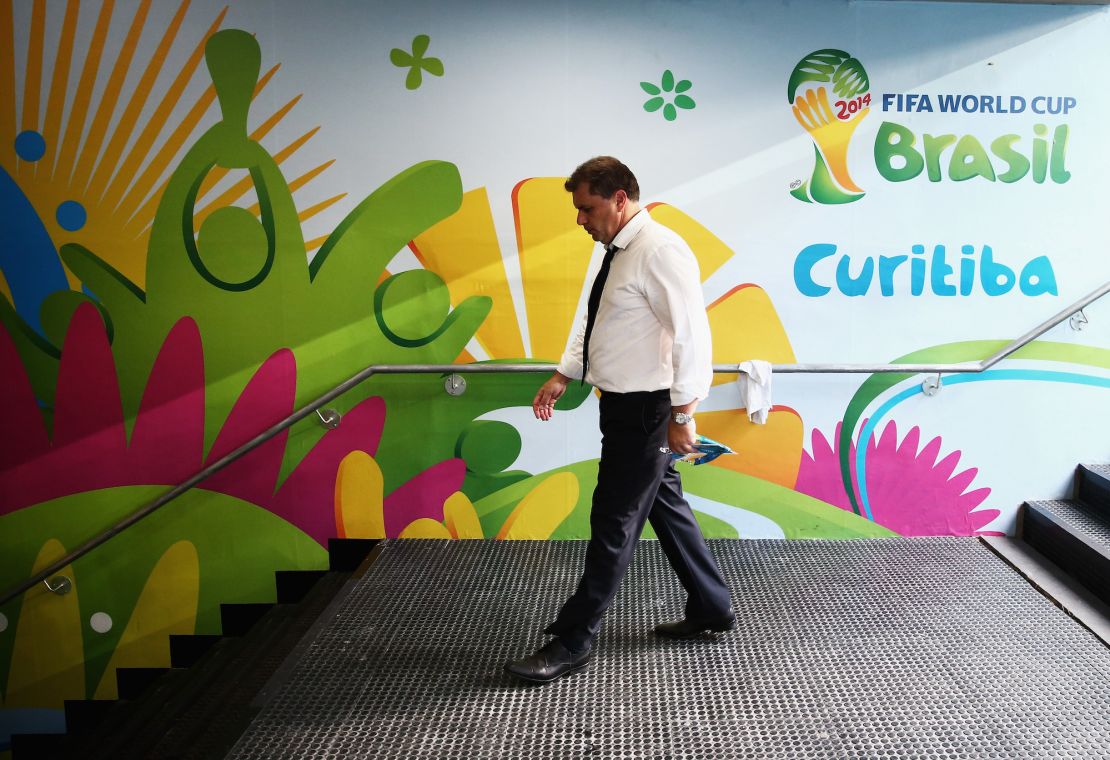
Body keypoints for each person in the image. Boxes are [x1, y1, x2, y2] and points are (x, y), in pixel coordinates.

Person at [504, 156, 734, 685]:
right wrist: (565, 374)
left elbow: (693, 335)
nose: (580, 219)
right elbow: (595, 319)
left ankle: (575, 639)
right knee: (662, 506)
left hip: (650, 409)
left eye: (587, 208)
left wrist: (682, 413)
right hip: (622, 406)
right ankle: (711, 604)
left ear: (619, 199)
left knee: (614, 519)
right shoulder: (615, 250)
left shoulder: (660, 250)